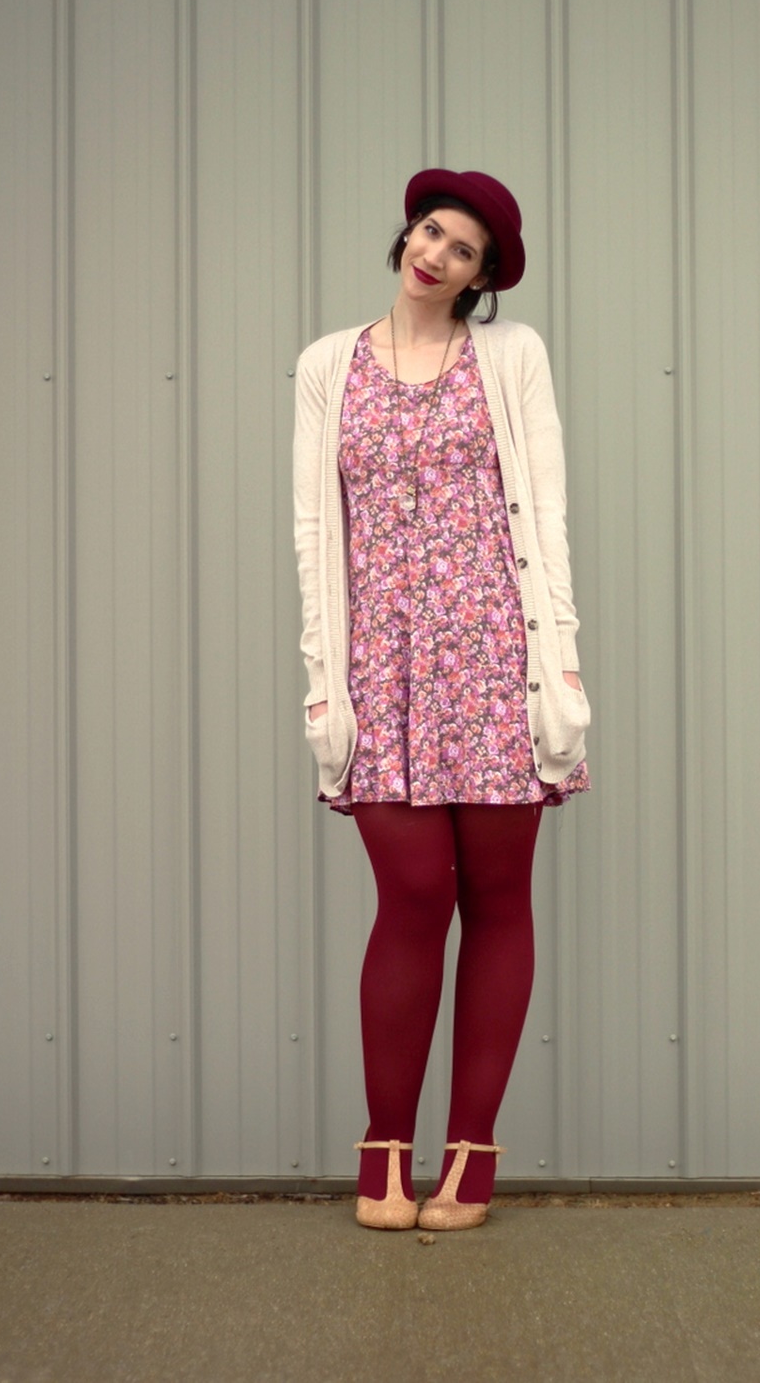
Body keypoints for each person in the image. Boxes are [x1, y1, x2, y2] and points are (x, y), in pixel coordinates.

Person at [293, 168, 589, 1231]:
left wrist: (561, 667)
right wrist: (324, 679)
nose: (436, 255)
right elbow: (314, 531)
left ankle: (470, 1156)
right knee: (413, 897)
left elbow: (544, 513)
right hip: (383, 672)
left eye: (463, 249)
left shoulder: (511, 357)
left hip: (496, 665)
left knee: (498, 902)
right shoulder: (327, 365)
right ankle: (384, 1150)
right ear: (405, 234)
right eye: (430, 231)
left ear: (482, 276)